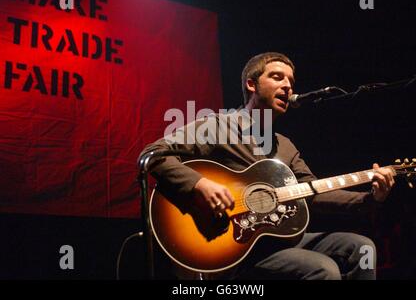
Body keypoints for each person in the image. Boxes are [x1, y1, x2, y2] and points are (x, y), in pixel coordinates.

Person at [141, 52, 395, 280]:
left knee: (361, 249)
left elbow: (314, 192)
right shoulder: (217, 127)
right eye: (277, 77)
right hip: (233, 247)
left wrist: (370, 197)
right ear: (251, 84)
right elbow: (152, 154)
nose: (287, 86)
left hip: (278, 241)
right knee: (322, 269)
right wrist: (199, 184)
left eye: (291, 82)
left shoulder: (285, 146)